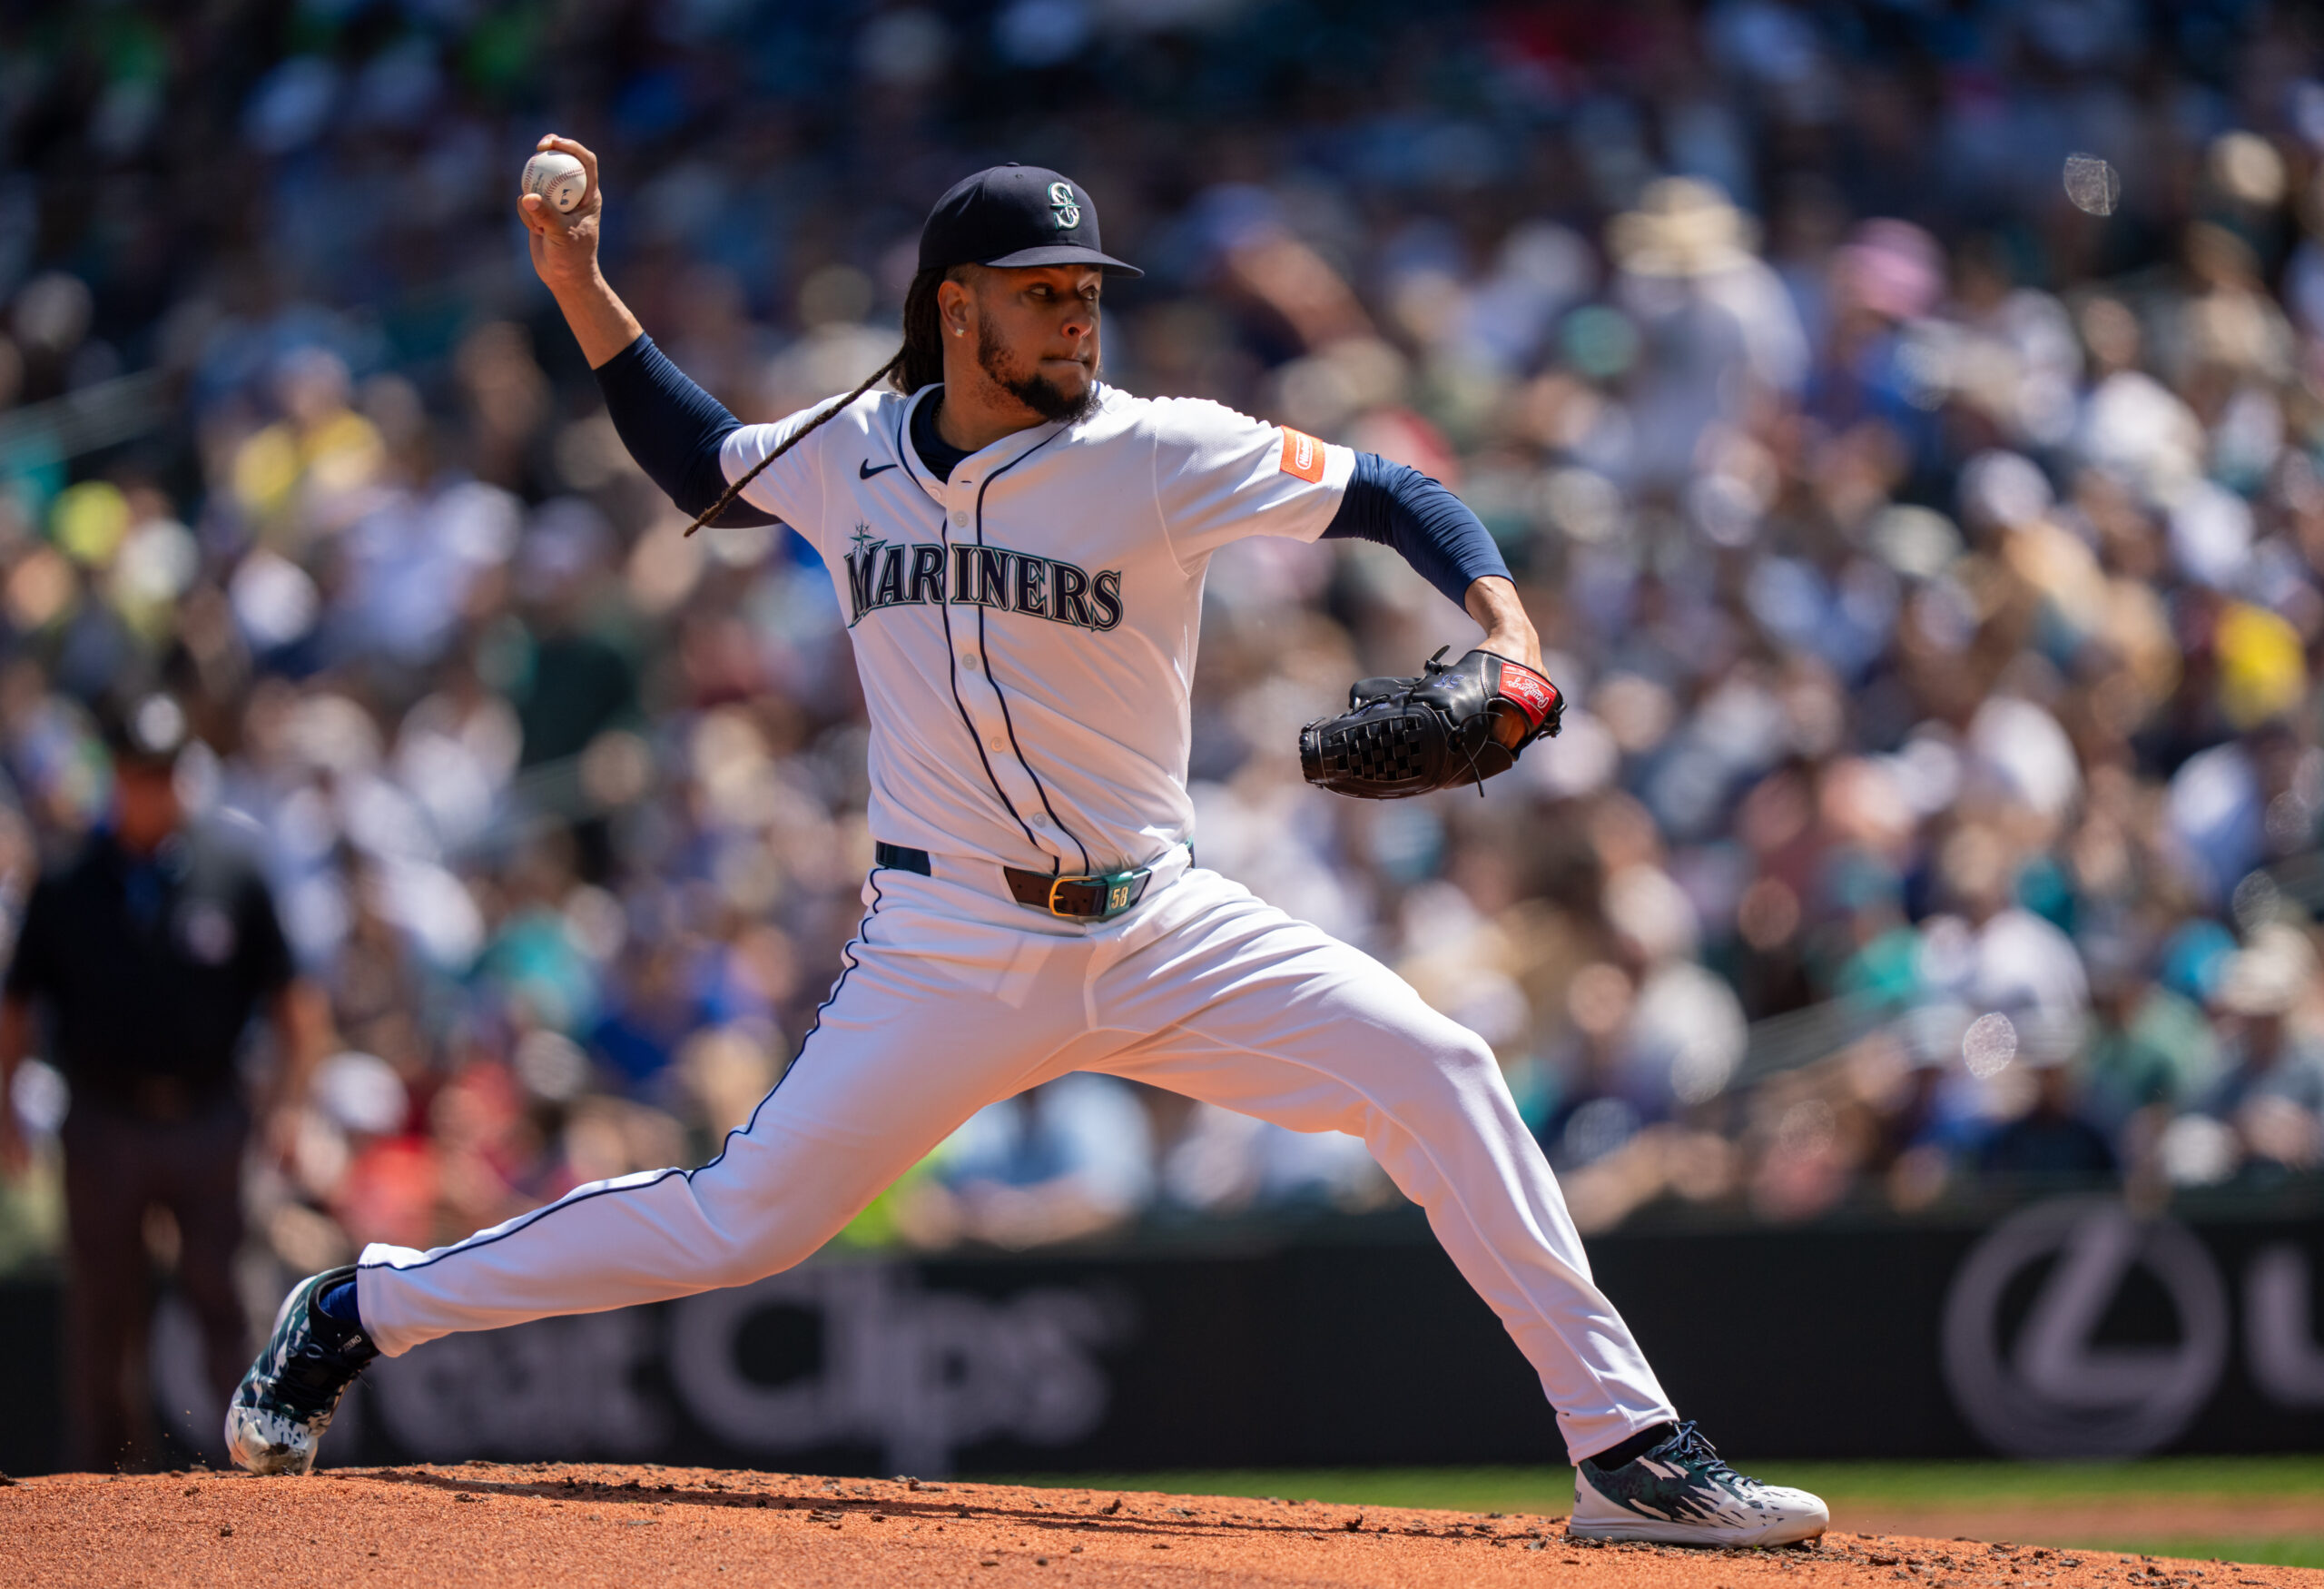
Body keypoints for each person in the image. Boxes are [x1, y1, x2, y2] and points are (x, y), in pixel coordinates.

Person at [224, 142, 1827, 1546]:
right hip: (945, 949)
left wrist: (1510, 628)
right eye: (1043, 289)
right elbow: (695, 462)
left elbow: (1396, 493)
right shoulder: (852, 456)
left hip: (1160, 923)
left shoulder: (1155, 450)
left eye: (1088, 291)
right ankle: (361, 1308)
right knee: (741, 1222)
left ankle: (1626, 1450)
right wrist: (577, 277)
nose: (1078, 315)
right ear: (954, 308)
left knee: (1439, 1069)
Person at [0, 692, 327, 1470]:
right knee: (103, 1308)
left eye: (165, 772)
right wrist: (6, 1110)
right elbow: (15, 1009)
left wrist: (287, 1110)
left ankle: (264, 1466)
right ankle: (106, 1485)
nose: (152, 789)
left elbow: (296, 1008)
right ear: (114, 778)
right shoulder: (69, 882)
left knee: (228, 1301)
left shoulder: (232, 872)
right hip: (104, 1118)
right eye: (137, 773)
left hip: (210, 1115)